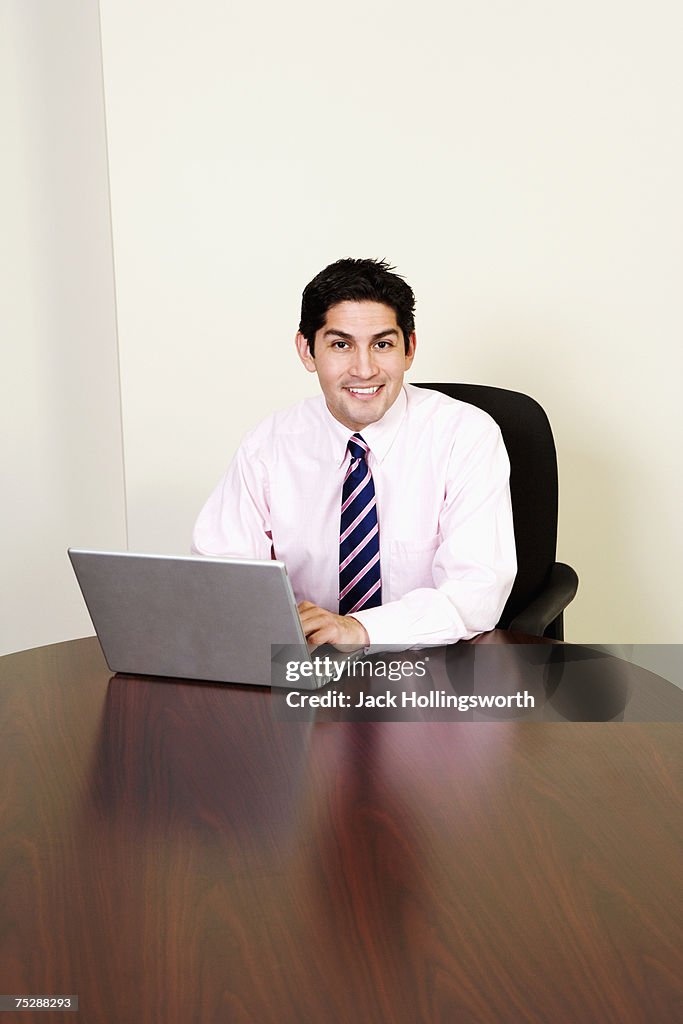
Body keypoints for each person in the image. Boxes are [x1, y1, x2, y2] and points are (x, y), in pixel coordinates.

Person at [192, 258, 516, 651]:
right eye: (341, 345)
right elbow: (221, 573)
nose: (364, 370)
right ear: (307, 351)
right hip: (308, 664)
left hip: (435, 667)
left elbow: (476, 593)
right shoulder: (269, 444)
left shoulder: (465, 436)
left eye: (382, 344)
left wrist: (359, 628)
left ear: (409, 348)